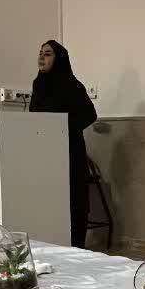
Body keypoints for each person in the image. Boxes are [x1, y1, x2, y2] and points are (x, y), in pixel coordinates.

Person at [29, 40, 97, 248]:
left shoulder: (72, 85)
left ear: (59, 59)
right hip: (45, 152)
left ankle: (76, 247)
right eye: (40, 53)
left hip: (69, 152)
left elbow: (89, 115)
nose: (41, 57)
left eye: (48, 54)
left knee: (73, 201)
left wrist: (62, 128)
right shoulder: (38, 84)